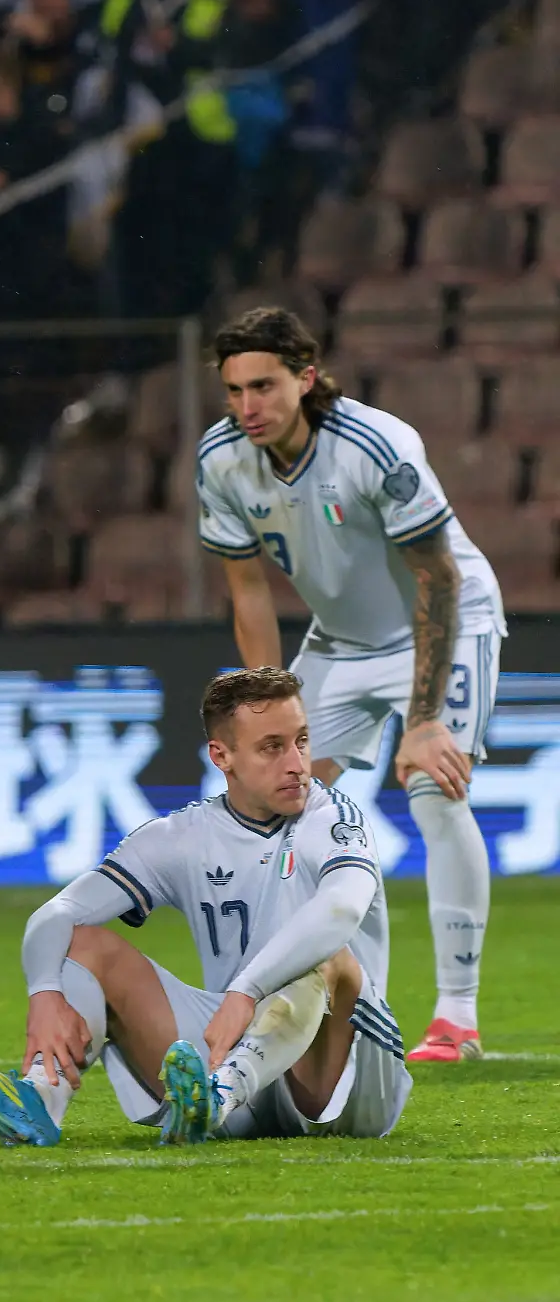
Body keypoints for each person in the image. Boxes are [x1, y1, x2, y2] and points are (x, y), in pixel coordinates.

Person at [199, 307, 505, 1063]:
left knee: (436, 788)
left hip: (447, 620)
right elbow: (248, 592)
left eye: (264, 386)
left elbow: (436, 577)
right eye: (234, 390)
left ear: (306, 378)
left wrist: (424, 720)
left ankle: (456, 1017)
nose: (249, 408)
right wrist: (260, 706)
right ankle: (355, 1003)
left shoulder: (376, 446)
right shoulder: (222, 459)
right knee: (273, 804)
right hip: (340, 643)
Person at [0, 667, 410, 1146]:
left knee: (328, 957)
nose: (297, 763)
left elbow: (341, 910)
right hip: (237, 1042)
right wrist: (44, 996)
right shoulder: (180, 837)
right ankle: (39, 1100)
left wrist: (245, 991)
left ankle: (216, 1099)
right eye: (272, 747)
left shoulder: (333, 819)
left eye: (301, 741)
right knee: (82, 944)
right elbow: (56, 914)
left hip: (343, 1078)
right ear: (222, 756)